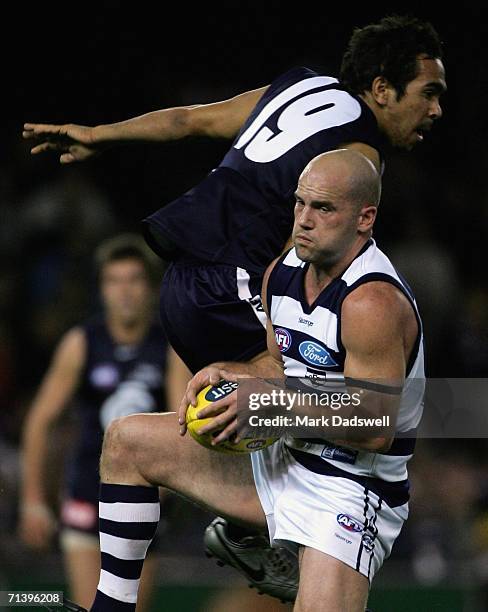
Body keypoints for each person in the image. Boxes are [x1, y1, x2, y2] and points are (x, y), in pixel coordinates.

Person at [23, 14, 445, 602]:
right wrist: (257, 384)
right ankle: (240, 543)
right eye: (428, 93)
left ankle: (253, 534)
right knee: (174, 426)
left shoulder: (301, 93)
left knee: (260, 403)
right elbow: (302, 379)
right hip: (233, 286)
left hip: (193, 291)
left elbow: (187, 120)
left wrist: (100, 135)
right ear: (381, 88)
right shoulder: (347, 178)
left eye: (320, 207)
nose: (435, 110)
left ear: (361, 217)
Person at [61, 149, 421, 612]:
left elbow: (374, 425)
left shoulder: (371, 301)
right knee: (127, 441)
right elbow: (278, 363)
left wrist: (269, 406)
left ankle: (276, 547)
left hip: (350, 489)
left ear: (365, 218)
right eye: (300, 204)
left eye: (324, 208)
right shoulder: (283, 272)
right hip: (286, 460)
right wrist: (237, 373)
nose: (304, 220)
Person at [19, 234, 190, 611]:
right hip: (85, 497)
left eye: (134, 280)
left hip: (143, 501)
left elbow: (182, 426)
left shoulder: (168, 346)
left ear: (149, 287)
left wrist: (166, 487)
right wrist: (33, 500)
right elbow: (40, 421)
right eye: (114, 281)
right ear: (102, 289)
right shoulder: (82, 343)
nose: (124, 292)